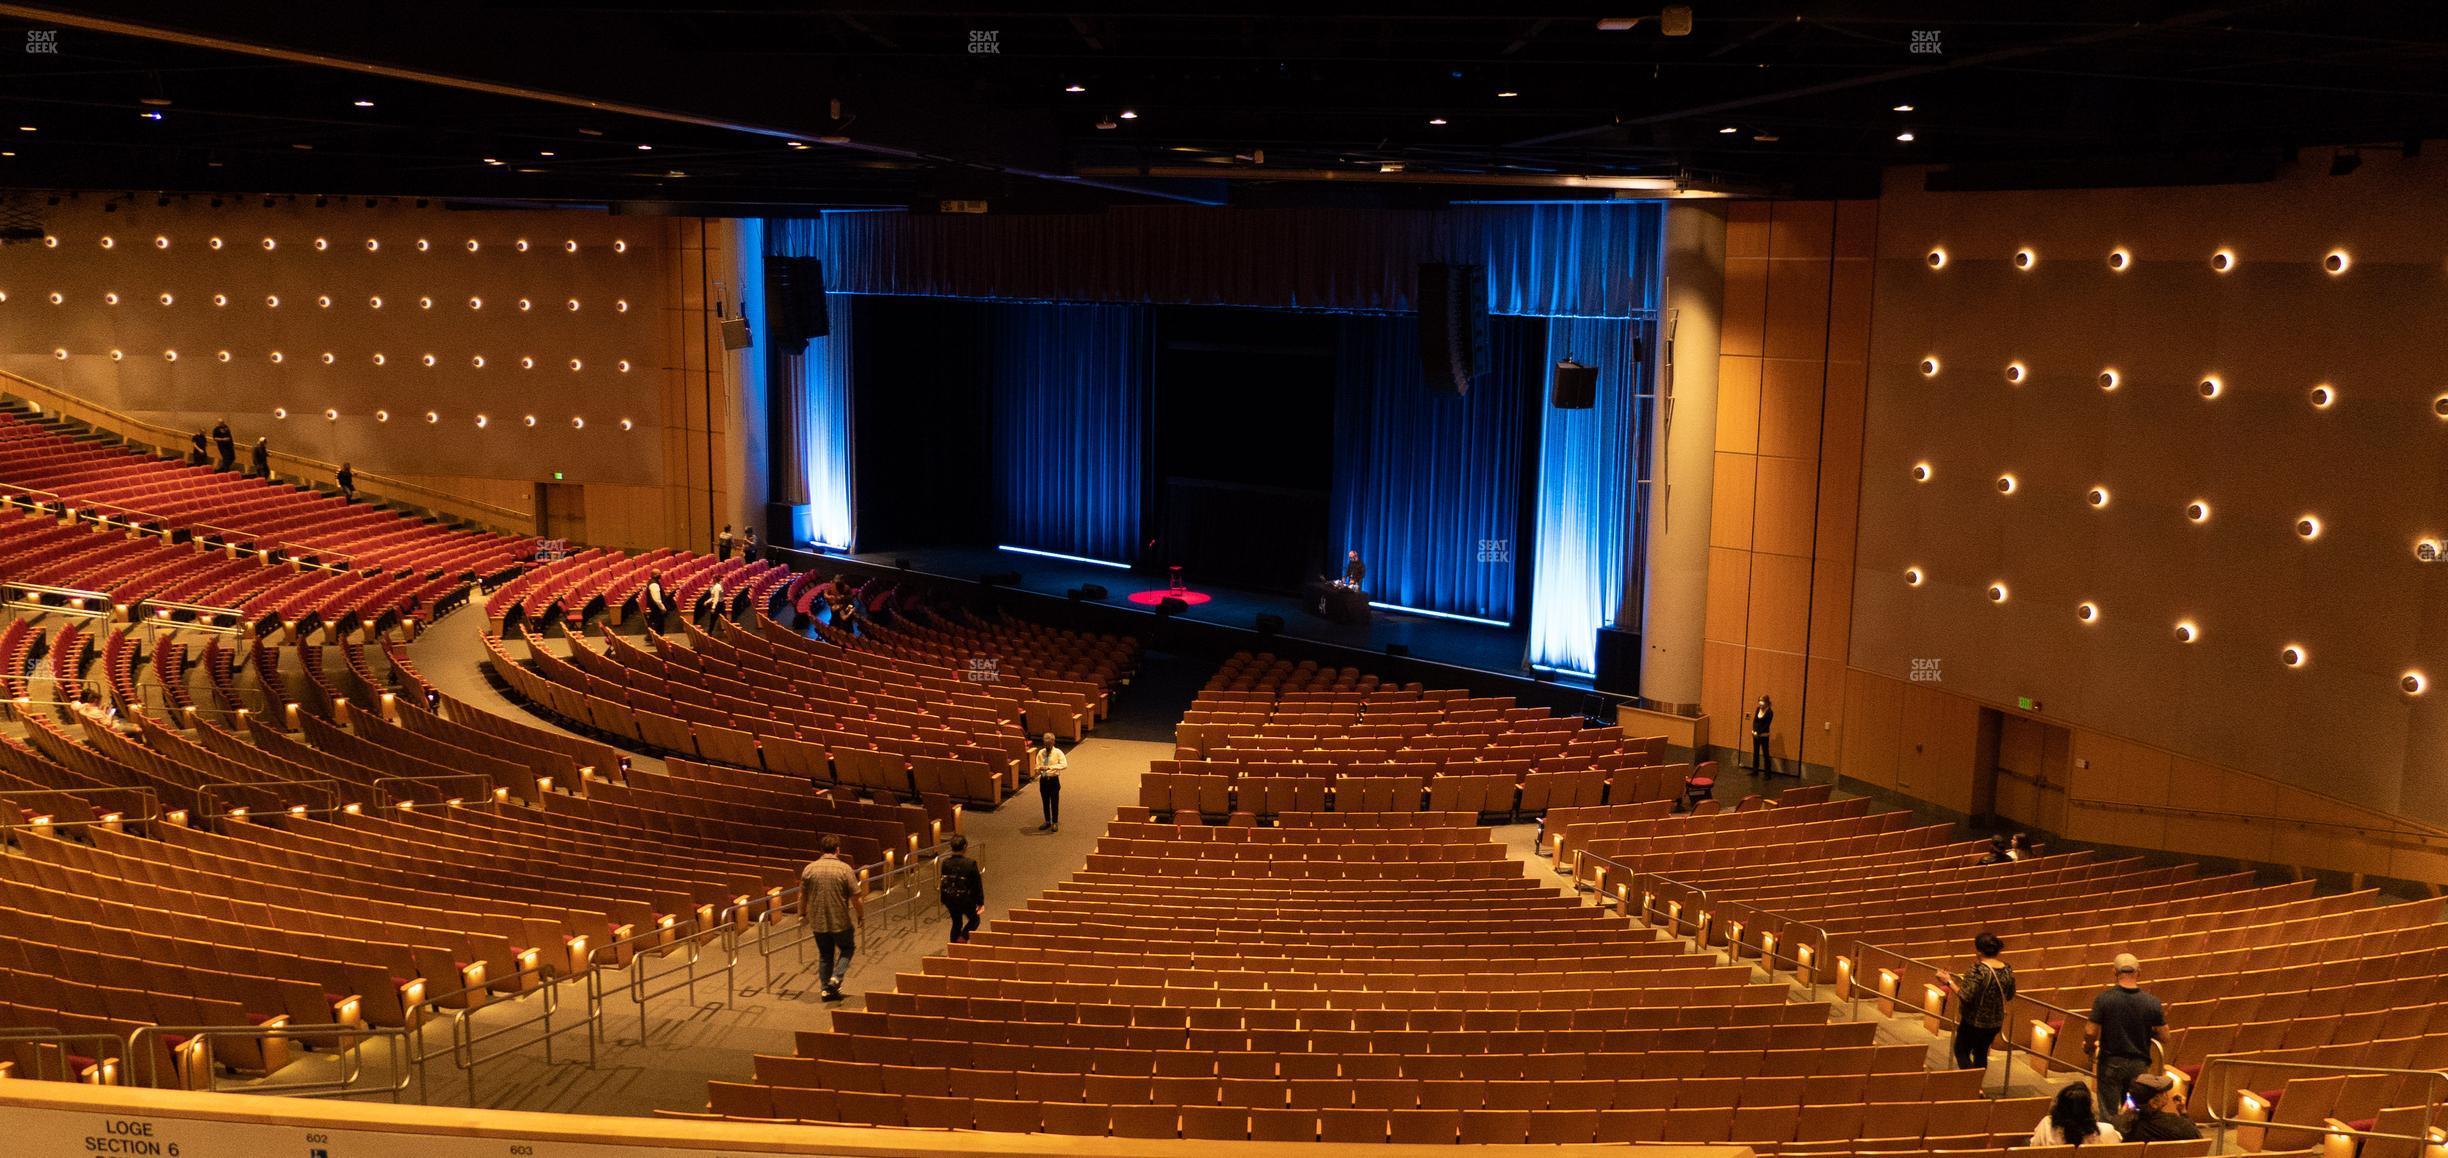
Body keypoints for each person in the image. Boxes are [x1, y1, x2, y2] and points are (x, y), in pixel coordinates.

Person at [2085, 953, 2168, 1115]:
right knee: (2134, 1109)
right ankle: (2130, 1139)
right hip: (2139, 1063)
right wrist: (2145, 1031)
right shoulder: (2152, 1002)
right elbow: (2165, 1036)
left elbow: (2090, 1031)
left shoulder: (2104, 999)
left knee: (2108, 1112)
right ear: (2139, 972)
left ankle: (2110, 1137)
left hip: (2111, 1062)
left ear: (2114, 972)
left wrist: (2088, 1048)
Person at [1935, 930, 2016, 1071]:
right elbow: (2009, 995)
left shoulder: (1978, 970)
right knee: (1981, 1053)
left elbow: (1965, 996)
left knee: (1961, 1050)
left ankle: (1972, 1084)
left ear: (1978, 951)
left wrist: (1948, 981)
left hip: (1974, 1022)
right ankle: (1977, 1085)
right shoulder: (2007, 969)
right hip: (1995, 1022)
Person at [798, 834, 861, 1001]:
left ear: (821, 850)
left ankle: (825, 990)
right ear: (837, 850)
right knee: (847, 948)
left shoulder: (809, 869)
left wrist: (801, 914)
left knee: (825, 955)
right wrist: (861, 914)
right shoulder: (845, 869)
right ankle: (836, 977)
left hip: (818, 920)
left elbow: (802, 896)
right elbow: (856, 896)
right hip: (840, 920)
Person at [2030, 1083, 2122, 1147]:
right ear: (2089, 1108)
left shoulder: (2046, 1125)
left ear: (2059, 1107)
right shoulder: (2107, 1131)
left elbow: (2033, 1150)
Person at [2117, 1072, 2200, 1141]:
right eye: (2163, 1092)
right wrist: (2183, 1112)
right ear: (2153, 1103)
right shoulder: (2177, 1125)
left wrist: (2121, 1116)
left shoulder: (2119, 1125)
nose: (2166, 1094)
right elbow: (2198, 1139)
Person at [938, 835, 984, 944]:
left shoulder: (945, 863)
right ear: (964, 847)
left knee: (956, 922)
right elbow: (976, 884)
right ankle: (962, 939)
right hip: (965, 899)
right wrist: (980, 902)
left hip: (949, 898)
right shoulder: (970, 864)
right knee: (975, 920)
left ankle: (954, 948)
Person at [1034, 732, 1065, 832]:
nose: (1047, 746)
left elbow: (1064, 764)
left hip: (1053, 780)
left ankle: (1055, 822)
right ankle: (1047, 821)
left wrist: (1050, 767)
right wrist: (1039, 768)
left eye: (1049, 744)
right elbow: (1037, 766)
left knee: (1054, 802)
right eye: (1045, 744)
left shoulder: (1058, 752)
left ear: (1053, 742)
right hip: (1043, 780)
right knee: (1045, 802)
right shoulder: (1040, 752)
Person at [1752, 694, 1775, 774]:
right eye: (1760, 701)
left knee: (1765, 753)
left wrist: (1758, 732)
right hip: (1755, 735)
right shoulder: (1758, 709)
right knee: (1755, 753)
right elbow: (1755, 721)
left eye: (1762, 701)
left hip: (1764, 735)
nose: (1760, 703)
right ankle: (1755, 770)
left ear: (1767, 702)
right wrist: (1754, 730)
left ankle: (1767, 773)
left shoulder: (1769, 712)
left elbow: (1766, 725)